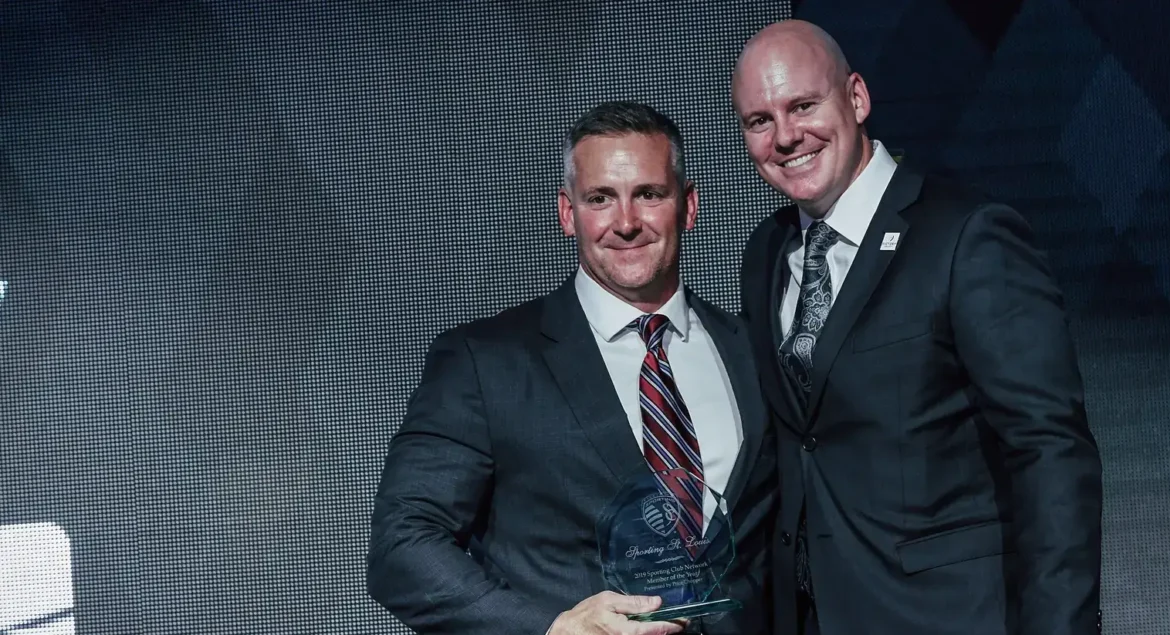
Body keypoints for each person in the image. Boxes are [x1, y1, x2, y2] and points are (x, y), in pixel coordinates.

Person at [729, 19, 1104, 635]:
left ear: (856, 98)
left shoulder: (967, 236)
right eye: (759, 121)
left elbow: (1050, 450)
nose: (786, 136)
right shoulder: (765, 254)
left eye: (803, 106)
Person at [367, 101, 776, 635]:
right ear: (567, 213)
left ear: (688, 206)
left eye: (649, 194)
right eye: (600, 198)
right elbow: (402, 545)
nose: (626, 223)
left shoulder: (753, 350)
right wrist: (550, 628)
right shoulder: (485, 362)